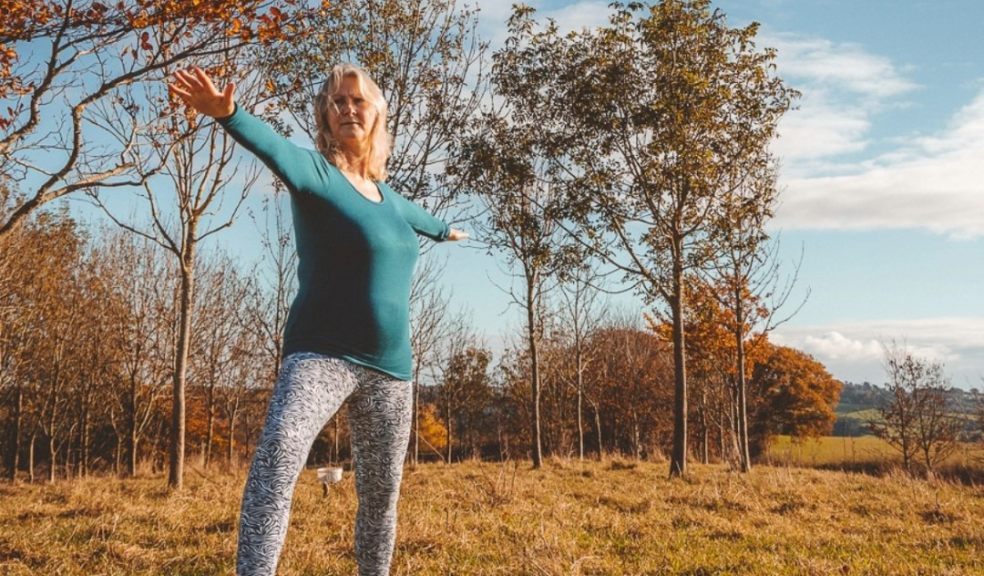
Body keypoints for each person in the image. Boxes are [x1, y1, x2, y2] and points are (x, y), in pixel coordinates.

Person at [168, 64, 467, 576]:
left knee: (380, 497)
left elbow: (419, 218)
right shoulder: (316, 174)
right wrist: (230, 115)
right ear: (325, 118)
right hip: (322, 354)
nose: (349, 109)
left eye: (359, 101)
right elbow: (275, 149)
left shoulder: (389, 199)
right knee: (279, 454)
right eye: (338, 102)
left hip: (392, 369)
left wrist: (446, 231)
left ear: (377, 115)